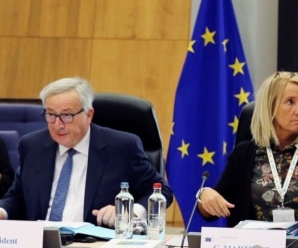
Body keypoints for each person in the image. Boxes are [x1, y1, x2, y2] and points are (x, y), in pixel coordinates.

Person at [197, 71, 298, 246]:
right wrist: (203, 196)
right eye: (290, 102)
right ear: (270, 108)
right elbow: (211, 212)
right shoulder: (244, 153)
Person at [0, 77, 173, 226]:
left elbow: (161, 191)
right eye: (51, 115)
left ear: (89, 115)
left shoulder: (121, 147)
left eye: (67, 115)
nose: (58, 125)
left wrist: (129, 211)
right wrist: (3, 211)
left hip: (95, 245)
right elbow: (18, 197)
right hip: (40, 244)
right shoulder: (33, 146)